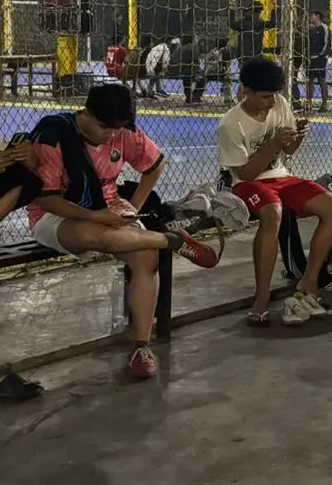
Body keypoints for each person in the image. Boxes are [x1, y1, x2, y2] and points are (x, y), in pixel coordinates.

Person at [26, 83, 218, 379]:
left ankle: (142, 345)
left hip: (109, 210)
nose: (112, 135)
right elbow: (43, 197)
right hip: (57, 214)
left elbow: (155, 164)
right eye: (104, 127)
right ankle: (171, 240)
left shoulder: (122, 130)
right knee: (93, 234)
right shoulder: (53, 136)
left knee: (145, 257)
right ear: (86, 113)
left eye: (117, 128)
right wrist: (94, 216)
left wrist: (131, 205)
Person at [217, 57, 332, 326]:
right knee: (272, 212)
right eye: (265, 96)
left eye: (275, 95)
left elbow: (288, 152)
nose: (272, 101)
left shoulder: (280, 104)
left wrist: (295, 139)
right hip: (247, 183)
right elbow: (246, 174)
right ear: (246, 91)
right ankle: (261, 298)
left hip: (280, 178)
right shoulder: (231, 124)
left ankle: (309, 280)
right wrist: (274, 144)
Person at [302, 10, 330, 110]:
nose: (310, 17)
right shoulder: (310, 29)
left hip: (320, 58)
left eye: (311, 15)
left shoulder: (324, 28)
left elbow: (326, 43)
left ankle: (324, 104)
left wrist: (321, 55)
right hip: (310, 59)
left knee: (321, 80)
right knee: (310, 80)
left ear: (317, 16)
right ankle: (309, 103)